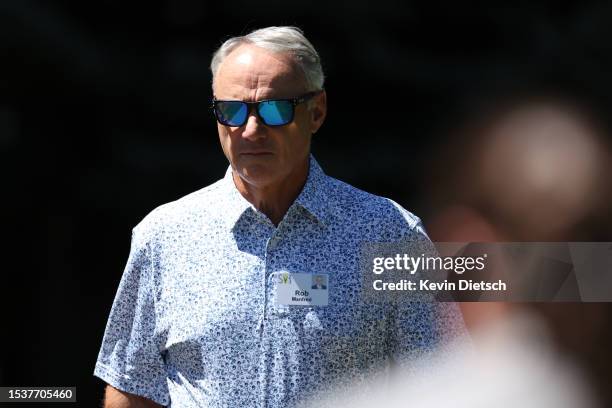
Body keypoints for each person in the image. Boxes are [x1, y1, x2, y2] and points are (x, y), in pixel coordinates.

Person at [94, 26, 466, 408]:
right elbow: (131, 386)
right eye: (232, 110)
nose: (251, 130)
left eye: (274, 109)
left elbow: (445, 383)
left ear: (317, 111)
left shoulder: (390, 233)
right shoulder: (164, 236)